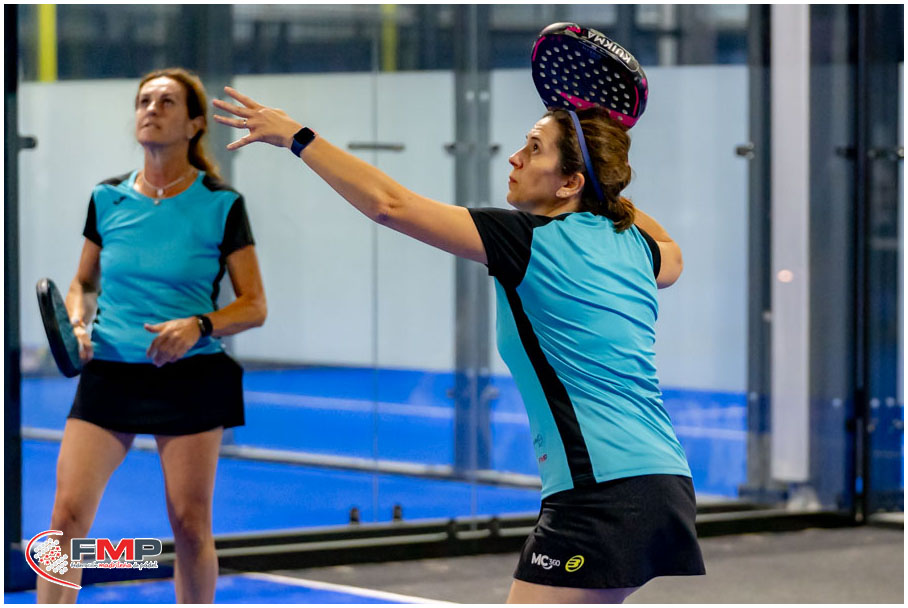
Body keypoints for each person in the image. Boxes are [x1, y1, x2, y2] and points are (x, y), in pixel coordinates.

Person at [212, 87, 703, 604]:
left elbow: (389, 205)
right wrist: (602, 176)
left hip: (601, 492)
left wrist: (297, 136)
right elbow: (673, 250)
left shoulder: (528, 239)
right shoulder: (639, 248)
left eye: (535, 148)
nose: (514, 157)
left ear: (569, 183)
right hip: (663, 479)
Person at [38, 69, 266, 604]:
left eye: (166, 102)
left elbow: (254, 306)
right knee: (66, 518)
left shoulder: (221, 204)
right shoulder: (107, 198)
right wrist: (77, 322)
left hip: (190, 377)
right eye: (144, 101)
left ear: (194, 124)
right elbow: (83, 284)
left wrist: (199, 324)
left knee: (189, 525)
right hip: (109, 374)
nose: (151, 109)